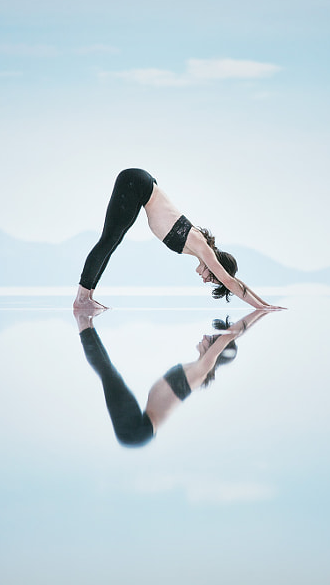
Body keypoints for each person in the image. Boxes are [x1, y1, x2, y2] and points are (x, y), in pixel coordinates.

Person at [74, 168, 284, 311]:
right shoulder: (203, 249)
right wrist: (262, 308)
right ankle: (82, 298)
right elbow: (229, 280)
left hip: (141, 187)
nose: (205, 280)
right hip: (137, 183)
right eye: (211, 278)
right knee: (109, 240)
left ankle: (87, 297)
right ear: (215, 267)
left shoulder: (199, 248)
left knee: (112, 241)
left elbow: (233, 280)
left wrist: (266, 304)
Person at [75, 308, 271, 447]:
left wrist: (260, 311)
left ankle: (83, 320)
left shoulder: (202, 369)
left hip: (137, 431)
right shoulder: (197, 368)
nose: (205, 336)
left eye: (212, 339)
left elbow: (229, 336)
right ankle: (86, 322)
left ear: (216, 350)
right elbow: (228, 337)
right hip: (139, 431)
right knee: (108, 373)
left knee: (108, 374)